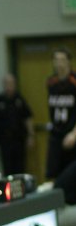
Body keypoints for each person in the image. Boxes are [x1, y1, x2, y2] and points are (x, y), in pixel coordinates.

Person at [0, 73, 34, 175]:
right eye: (7, 83)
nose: (9, 85)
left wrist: (30, 135)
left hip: (19, 140)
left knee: (20, 167)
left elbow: (28, 117)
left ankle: (21, 190)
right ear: (3, 84)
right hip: (4, 140)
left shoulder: (19, 99)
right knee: (7, 168)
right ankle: (8, 190)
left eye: (11, 83)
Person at [45, 47, 76, 179]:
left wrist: (74, 134)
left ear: (68, 62)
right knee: (52, 173)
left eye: (62, 60)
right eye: (56, 60)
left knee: (70, 176)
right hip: (56, 134)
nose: (59, 63)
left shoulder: (74, 82)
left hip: (71, 133)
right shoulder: (51, 82)